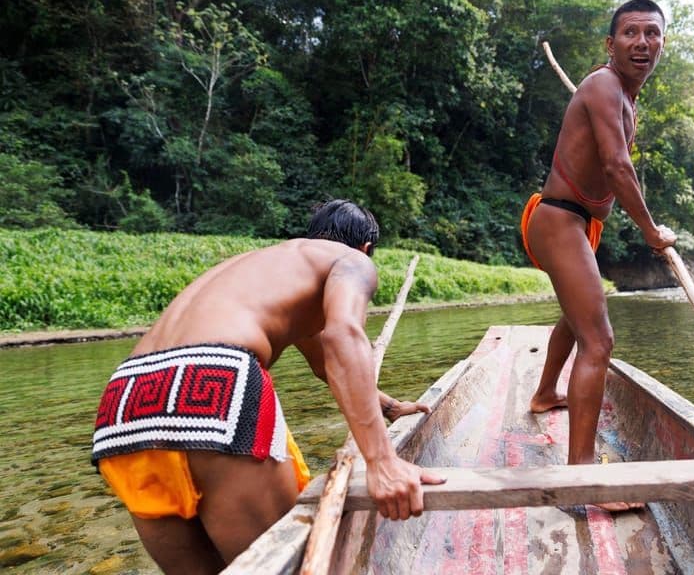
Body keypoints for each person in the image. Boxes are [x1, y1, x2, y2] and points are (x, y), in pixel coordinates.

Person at [91, 199, 444, 573]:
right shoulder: (352, 261)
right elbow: (343, 336)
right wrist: (382, 461)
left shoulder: (267, 267)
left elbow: (325, 360)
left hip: (125, 402)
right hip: (213, 378)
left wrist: (388, 407)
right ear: (366, 248)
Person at [520, 0, 677, 510]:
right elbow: (616, 166)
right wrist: (652, 231)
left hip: (579, 222)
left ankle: (545, 394)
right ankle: (583, 477)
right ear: (611, 45)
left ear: (662, 44)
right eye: (630, 33)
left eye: (651, 34)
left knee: (576, 317)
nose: (642, 42)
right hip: (559, 219)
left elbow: (610, 161)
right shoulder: (604, 85)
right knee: (599, 339)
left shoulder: (621, 97)